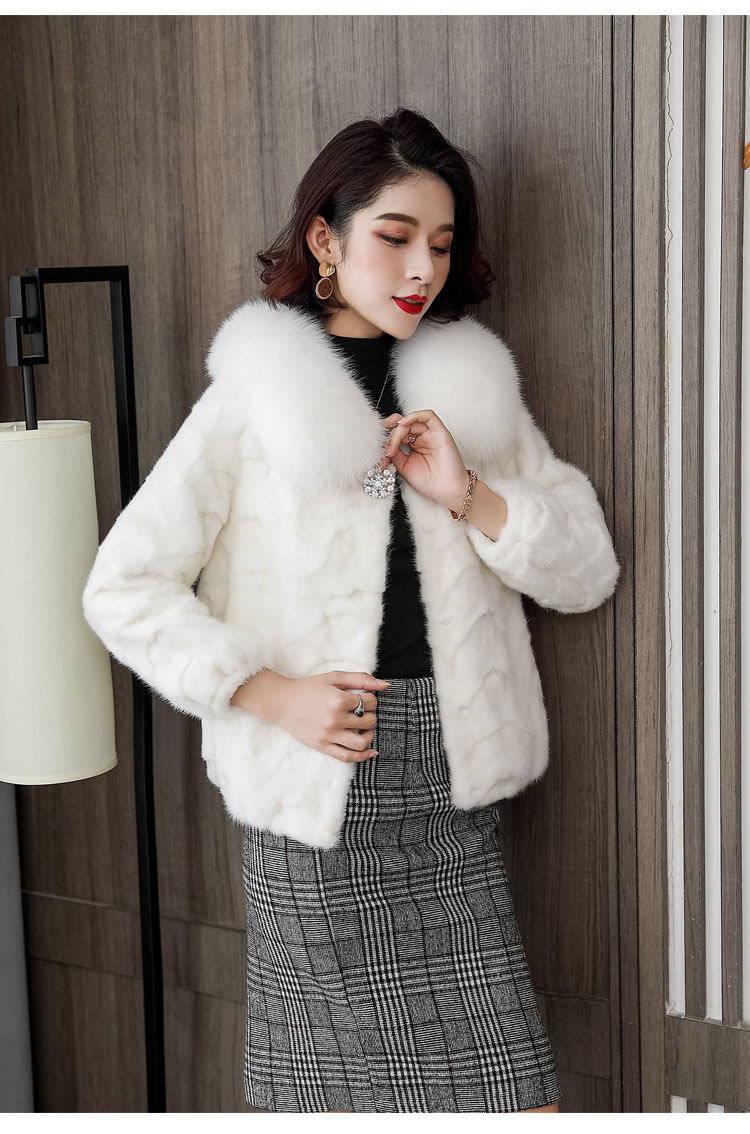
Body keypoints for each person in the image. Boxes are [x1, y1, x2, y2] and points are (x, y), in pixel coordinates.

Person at [82, 107, 619, 1113]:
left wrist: (469, 493)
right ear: (325, 241)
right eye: (396, 237)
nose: (422, 269)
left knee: (517, 1100)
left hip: (451, 796)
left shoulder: (469, 393)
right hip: (320, 802)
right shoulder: (256, 399)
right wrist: (267, 692)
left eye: (442, 245)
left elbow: (586, 569)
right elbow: (121, 586)